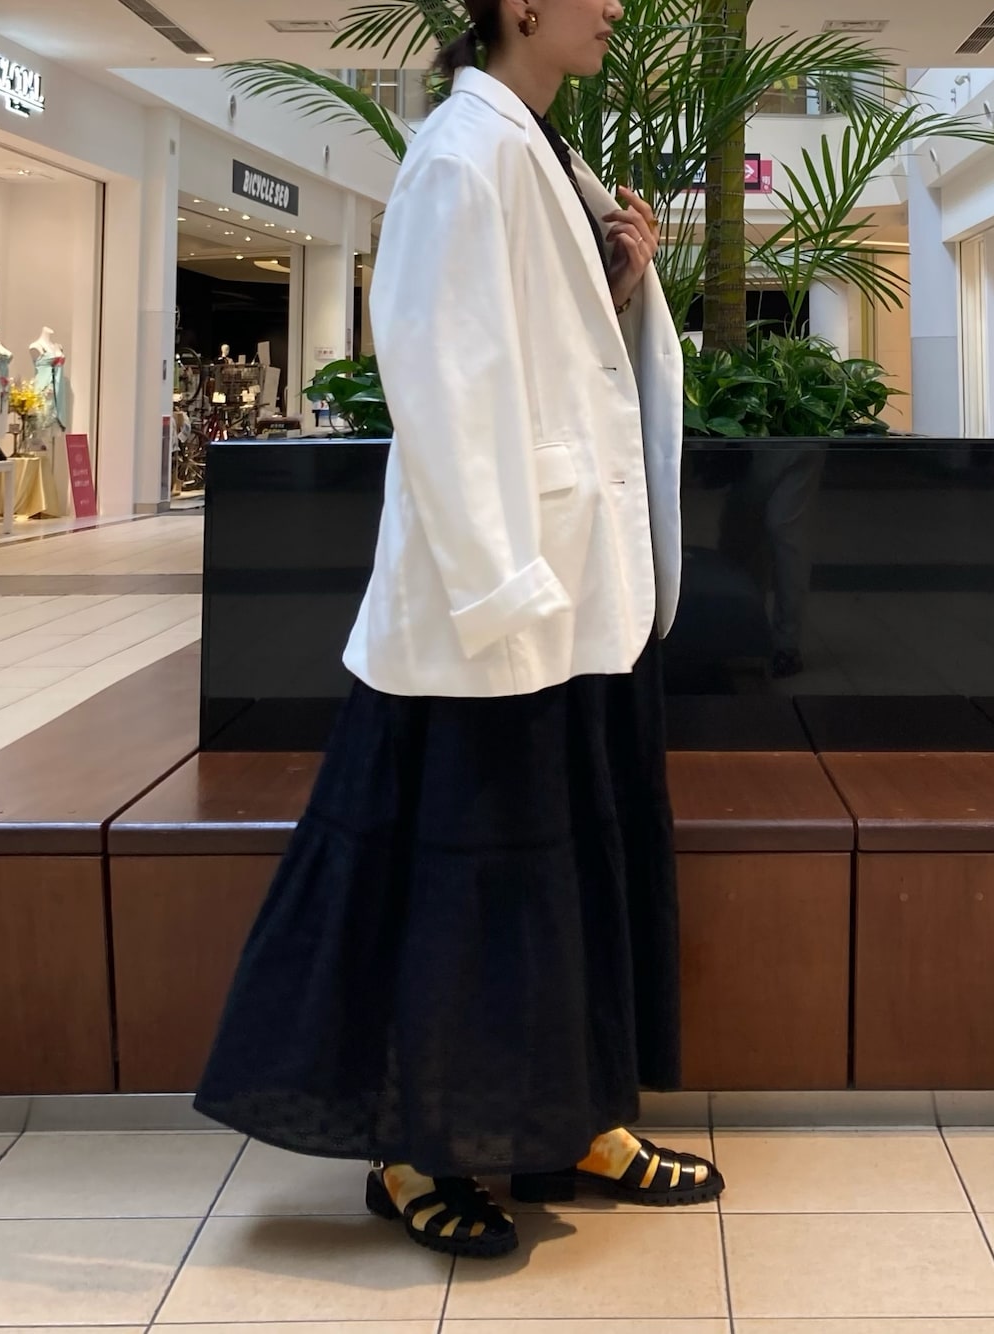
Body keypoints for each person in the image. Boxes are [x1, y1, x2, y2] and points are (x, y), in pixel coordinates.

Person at [194, 0, 725, 1261]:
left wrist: (618, 285)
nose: (616, 7)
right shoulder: (461, 152)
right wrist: (502, 592)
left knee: (565, 874)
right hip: (499, 609)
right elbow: (437, 380)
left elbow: (545, 357)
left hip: (576, 594)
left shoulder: (539, 147)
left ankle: (572, 1120)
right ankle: (413, 1151)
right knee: (467, 885)